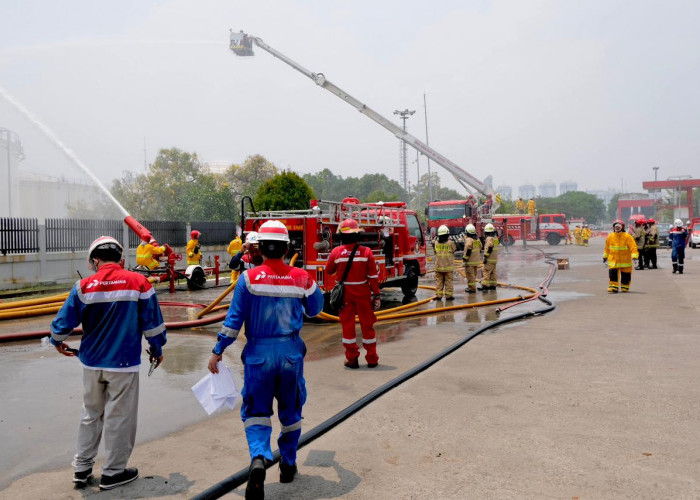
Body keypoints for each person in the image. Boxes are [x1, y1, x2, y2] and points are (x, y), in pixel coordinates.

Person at [208, 221, 323, 499]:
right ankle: (288, 463)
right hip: (290, 355)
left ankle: (259, 457)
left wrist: (218, 350)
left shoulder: (247, 280)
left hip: (258, 355)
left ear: (259, 248)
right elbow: (316, 308)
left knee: (257, 412)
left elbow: (233, 321)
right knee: (291, 412)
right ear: (286, 248)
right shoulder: (302, 278)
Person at [49, 236, 166, 491]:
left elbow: (62, 323)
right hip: (123, 364)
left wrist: (56, 341)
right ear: (121, 259)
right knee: (119, 417)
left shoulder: (83, 286)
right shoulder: (139, 283)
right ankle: (113, 473)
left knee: (90, 414)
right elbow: (153, 324)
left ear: (94, 261)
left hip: (91, 363)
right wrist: (157, 349)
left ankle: (81, 469)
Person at [325, 218, 381, 369]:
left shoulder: (336, 252)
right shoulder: (366, 252)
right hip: (363, 293)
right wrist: (376, 294)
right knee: (368, 325)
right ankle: (372, 358)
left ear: (341, 236)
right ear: (357, 235)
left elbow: (329, 271)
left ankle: (352, 359)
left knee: (348, 326)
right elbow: (373, 277)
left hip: (345, 295)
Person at [603, 220, 638, 293]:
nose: (617, 228)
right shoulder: (610, 236)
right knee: (613, 274)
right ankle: (613, 287)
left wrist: (635, 257)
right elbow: (607, 248)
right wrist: (605, 258)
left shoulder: (627, 237)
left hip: (625, 261)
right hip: (614, 260)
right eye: (616, 227)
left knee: (626, 274)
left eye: (619, 227)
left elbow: (633, 247)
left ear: (622, 228)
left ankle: (625, 287)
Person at [432, 224, 457, 300]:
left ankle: (439, 296)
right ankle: (449, 296)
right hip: (448, 267)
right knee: (448, 282)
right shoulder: (450, 243)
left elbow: (435, 251)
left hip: (438, 267)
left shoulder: (436, 243)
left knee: (439, 282)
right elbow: (454, 249)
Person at [462, 224, 482, 293]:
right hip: (476, 261)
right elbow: (480, 247)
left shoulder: (469, 240)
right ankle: (472, 287)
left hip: (470, 262)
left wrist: (464, 259)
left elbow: (468, 250)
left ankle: (472, 288)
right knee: (474, 275)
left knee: (470, 276)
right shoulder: (477, 239)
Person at [481, 223, 500, 290]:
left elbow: (490, 247)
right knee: (493, 272)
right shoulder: (495, 238)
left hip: (489, 259)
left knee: (486, 271)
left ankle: (485, 286)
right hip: (494, 259)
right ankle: (493, 285)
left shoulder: (489, 238)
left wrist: (485, 257)